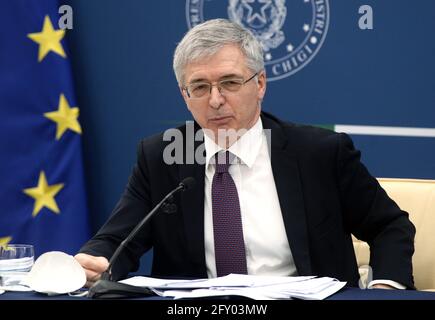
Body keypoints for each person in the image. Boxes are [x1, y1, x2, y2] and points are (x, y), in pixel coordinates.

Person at [75, 19, 415, 290]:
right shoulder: (162, 156)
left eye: (231, 83)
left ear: (261, 84)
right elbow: (117, 241)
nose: (216, 100)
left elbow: (389, 225)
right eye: (200, 87)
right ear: (184, 95)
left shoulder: (320, 154)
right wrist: (95, 262)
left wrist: (385, 287)